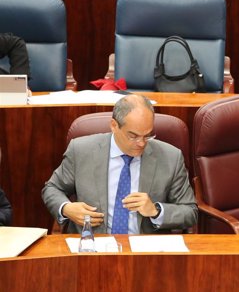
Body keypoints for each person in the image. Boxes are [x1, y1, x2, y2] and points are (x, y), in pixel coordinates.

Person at [42, 94, 197, 234]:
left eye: (147, 135)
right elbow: (52, 189)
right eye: (133, 136)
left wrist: (156, 210)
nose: (141, 143)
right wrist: (67, 208)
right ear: (114, 126)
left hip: (144, 251)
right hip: (92, 246)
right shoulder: (82, 150)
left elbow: (190, 212)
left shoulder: (171, 157)